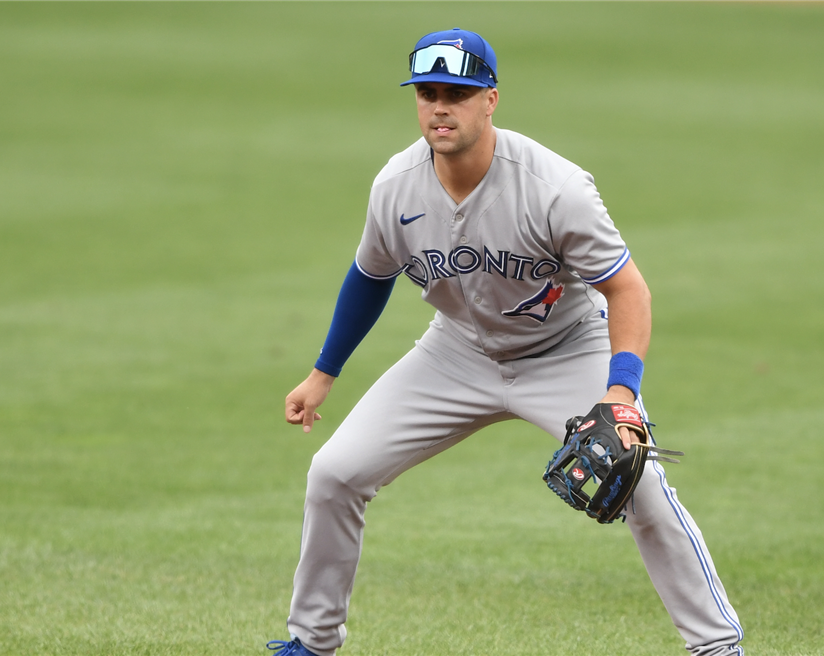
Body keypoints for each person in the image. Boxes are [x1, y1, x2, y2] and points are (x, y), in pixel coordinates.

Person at [267, 28, 744, 656]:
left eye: (457, 93)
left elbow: (629, 292)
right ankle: (312, 641)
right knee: (334, 473)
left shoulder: (555, 188)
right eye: (428, 93)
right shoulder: (396, 186)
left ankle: (718, 647)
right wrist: (323, 372)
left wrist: (622, 395)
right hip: (456, 352)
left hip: (567, 351)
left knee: (644, 492)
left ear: (490, 99)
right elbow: (369, 275)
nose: (440, 107)